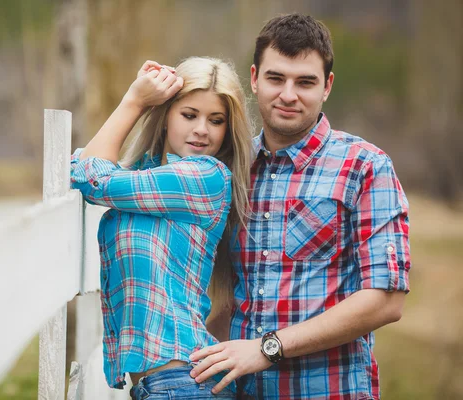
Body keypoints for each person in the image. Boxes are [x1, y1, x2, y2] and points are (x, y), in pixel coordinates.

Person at [189, 13, 411, 399]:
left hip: (328, 390)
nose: (288, 94)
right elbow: (239, 295)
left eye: (305, 82)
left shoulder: (364, 167)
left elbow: (386, 301)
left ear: (327, 86)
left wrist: (266, 348)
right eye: (276, 78)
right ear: (255, 79)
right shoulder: (231, 171)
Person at [70, 57, 253, 399]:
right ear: (166, 114)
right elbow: (86, 167)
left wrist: (133, 101)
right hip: (167, 386)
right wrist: (140, 101)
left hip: (182, 383)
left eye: (216, 120)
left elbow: (91, 178)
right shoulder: (147, 174)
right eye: (189, 114)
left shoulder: (206, 178)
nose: (201, 129)